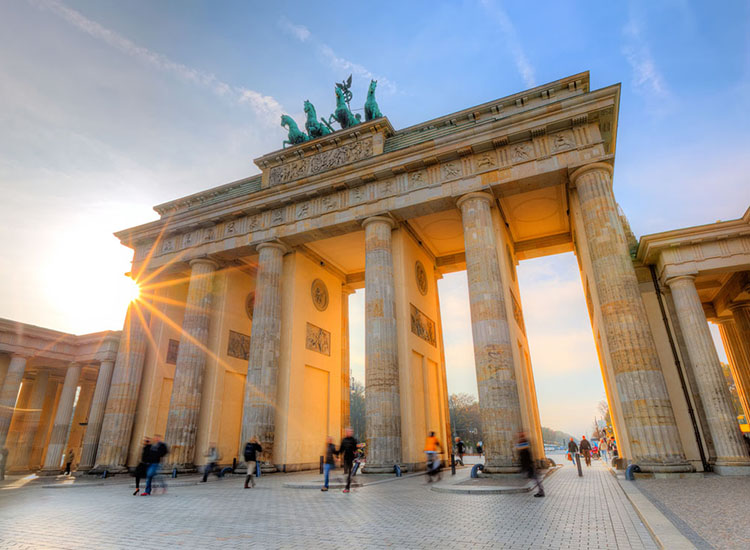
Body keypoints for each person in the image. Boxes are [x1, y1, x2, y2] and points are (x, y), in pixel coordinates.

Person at [516, 432, 544, 498]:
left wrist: (524, 467)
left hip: (529, 465)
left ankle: (541, 491)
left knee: (535, 478)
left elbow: (524, 458)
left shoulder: (523, 447)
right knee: (535, 478)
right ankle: (541, 490)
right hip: (529, 465)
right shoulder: (525, 446)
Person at [338, 427, 358, 493]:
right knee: (347, 473)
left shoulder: (353, 440)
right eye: (348, 431)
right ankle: (348, 483)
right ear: (346, 432)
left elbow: (355, 449)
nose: (350, 432)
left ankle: (347, 488)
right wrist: (337, 455)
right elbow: (341, 449)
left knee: (349, 473)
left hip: (351, 459)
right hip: (346, 458)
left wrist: (355, 453)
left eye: (351, 431)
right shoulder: (344, 440)